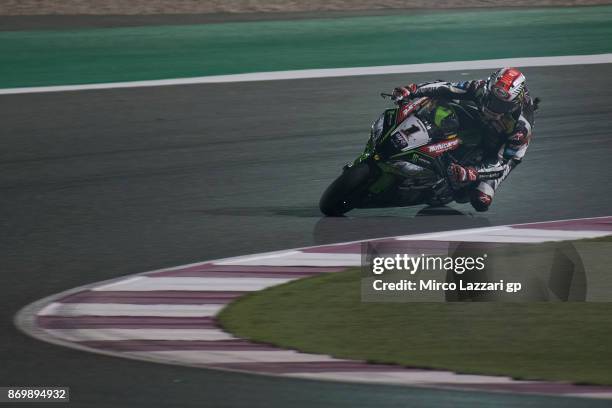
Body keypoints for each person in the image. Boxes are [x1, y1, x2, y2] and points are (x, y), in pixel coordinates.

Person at [392, 68, 536, 212]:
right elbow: (447, 87)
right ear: (488, 89)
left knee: (481, 200)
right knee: (443, 98)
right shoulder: (479, 87)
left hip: (506, 147)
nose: (493, 107)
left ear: (514, 104)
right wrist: (412, 89)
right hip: (481, 119)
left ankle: (467, 176)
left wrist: (471, 172)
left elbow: (502, 163)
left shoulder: (521, 128)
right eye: (491, 99)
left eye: (501, 105)